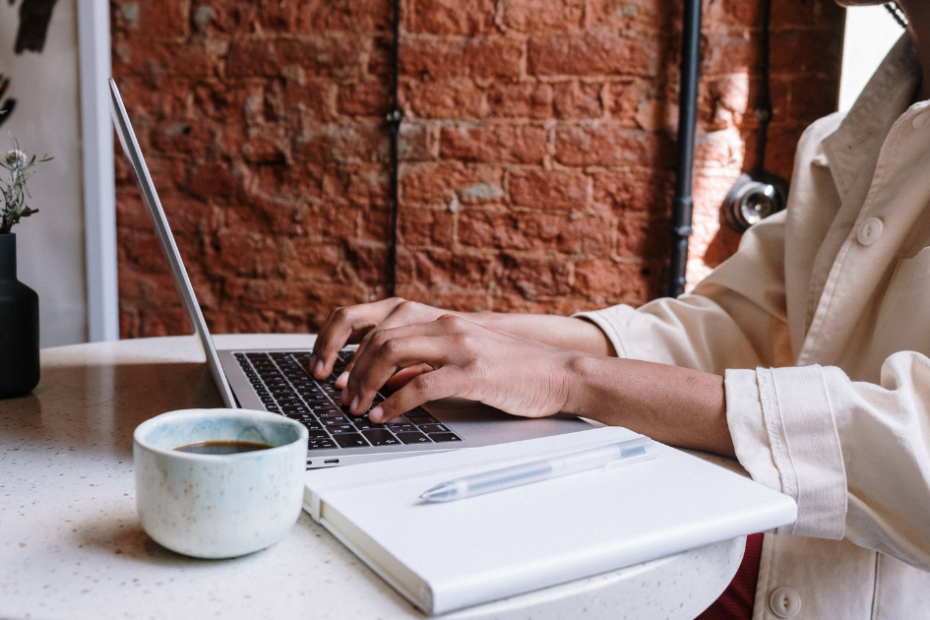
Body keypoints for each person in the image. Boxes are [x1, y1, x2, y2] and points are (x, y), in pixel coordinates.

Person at [306, 1, 930, 617]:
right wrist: (474, 334)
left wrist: (567, 380)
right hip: (769, 557)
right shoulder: (852, 135)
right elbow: (734, 327)